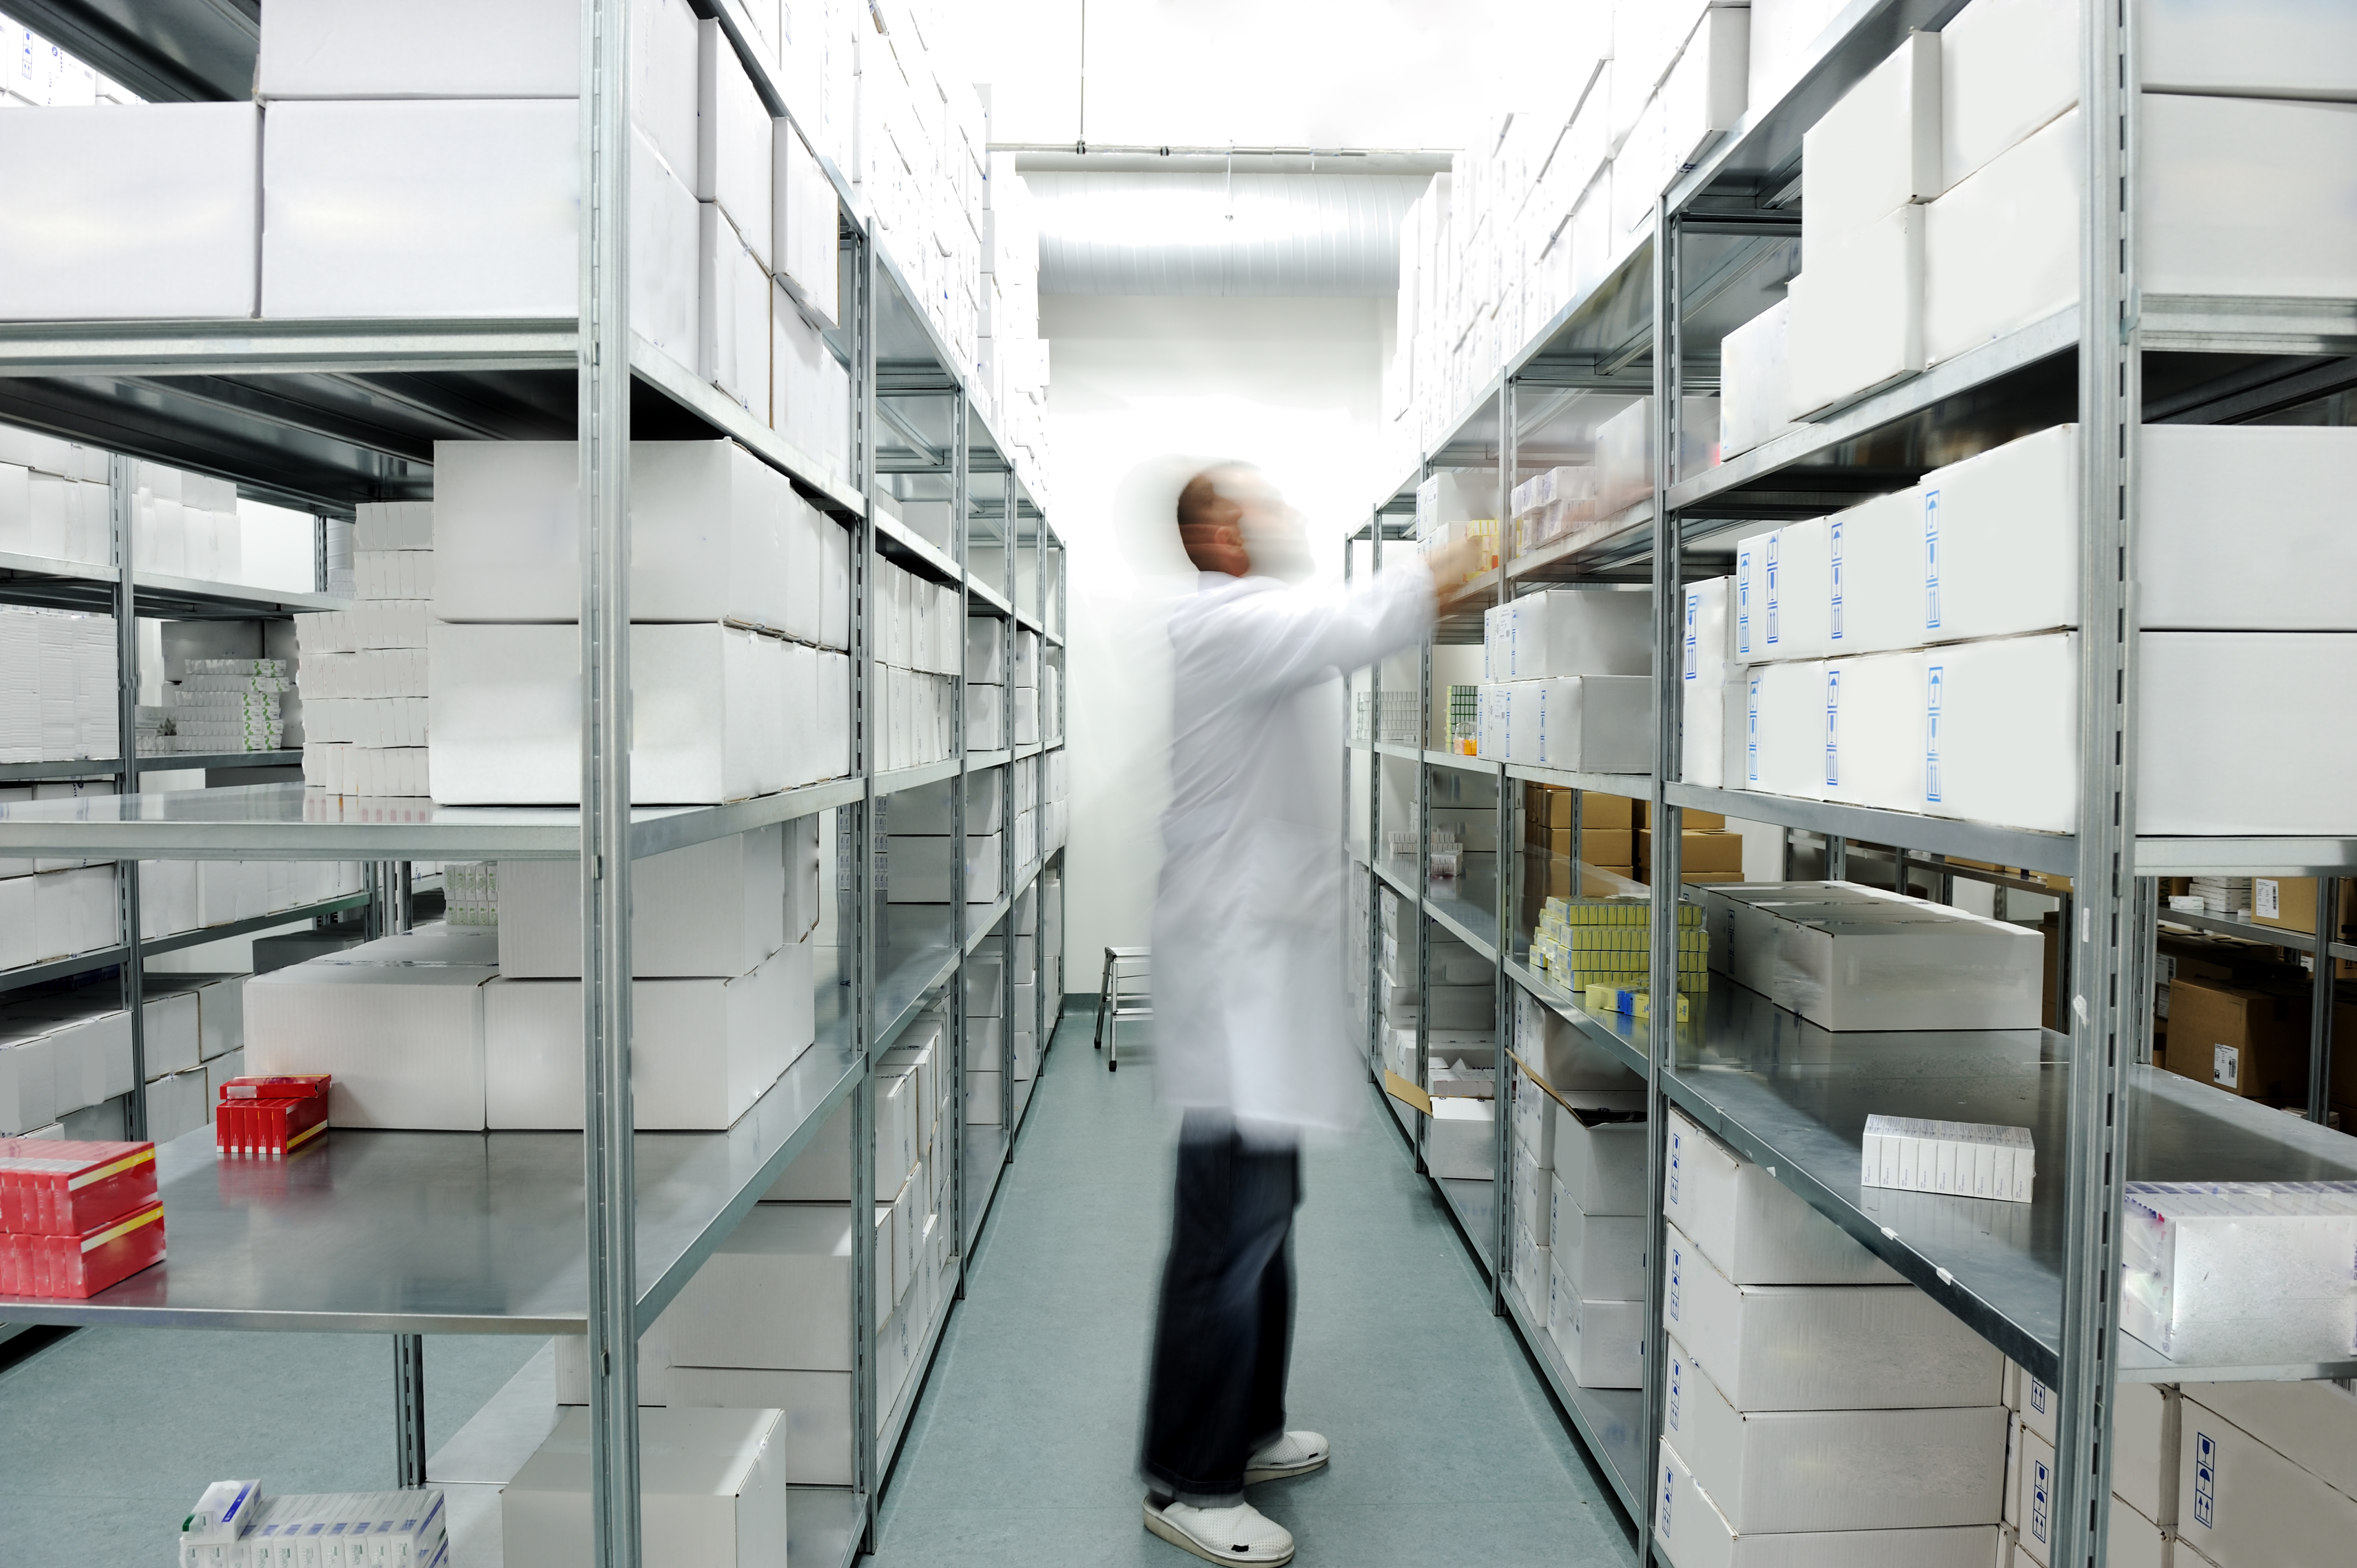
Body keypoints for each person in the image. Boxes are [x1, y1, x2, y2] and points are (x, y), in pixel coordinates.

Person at [1140, 463, 1481, 1566]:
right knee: (1224, 1237)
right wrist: (1493, 537)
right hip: (1235, 992)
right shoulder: (1234, 625)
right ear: (1219, 533)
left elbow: (1356, 620)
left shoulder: (1254, 622)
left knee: (1264, 1222)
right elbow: (1361, 618)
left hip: (1264, 983)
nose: (1284, 517)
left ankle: (1247, 1430)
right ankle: (1188, 1479)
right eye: (1261, 505)